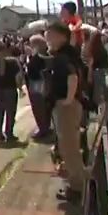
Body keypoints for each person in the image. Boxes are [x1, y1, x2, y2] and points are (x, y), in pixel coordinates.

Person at [45, 22, 86, 202]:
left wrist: (68, 99)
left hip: (67, 107)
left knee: (69, 149)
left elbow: (72, 77)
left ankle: (78, 188)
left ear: (61, 36)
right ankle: (75, 183)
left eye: (50, 35)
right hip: (69, 105)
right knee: (68, 147)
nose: (47, 39)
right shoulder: (68, 54)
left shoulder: (63, 57)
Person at [25, 35, 53, 140]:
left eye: (32, 44)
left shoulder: (38, 57)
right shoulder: (47, 54)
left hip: (37, 83)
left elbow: (33, 68)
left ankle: (42, 129)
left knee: (38, 107)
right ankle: (45, 127)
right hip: (44, 83)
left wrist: (30, 58)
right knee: (45, 107)